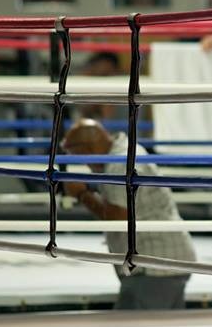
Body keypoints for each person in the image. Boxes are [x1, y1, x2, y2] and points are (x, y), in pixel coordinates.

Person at [61, 118, 196, 310]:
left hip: (153, 265)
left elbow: (118, 218)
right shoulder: (125, 153)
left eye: (78, 156)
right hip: (165, 261)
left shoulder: (119, 163)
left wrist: (83, 194)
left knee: (130, 321)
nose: (84, 164)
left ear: (88, 149)